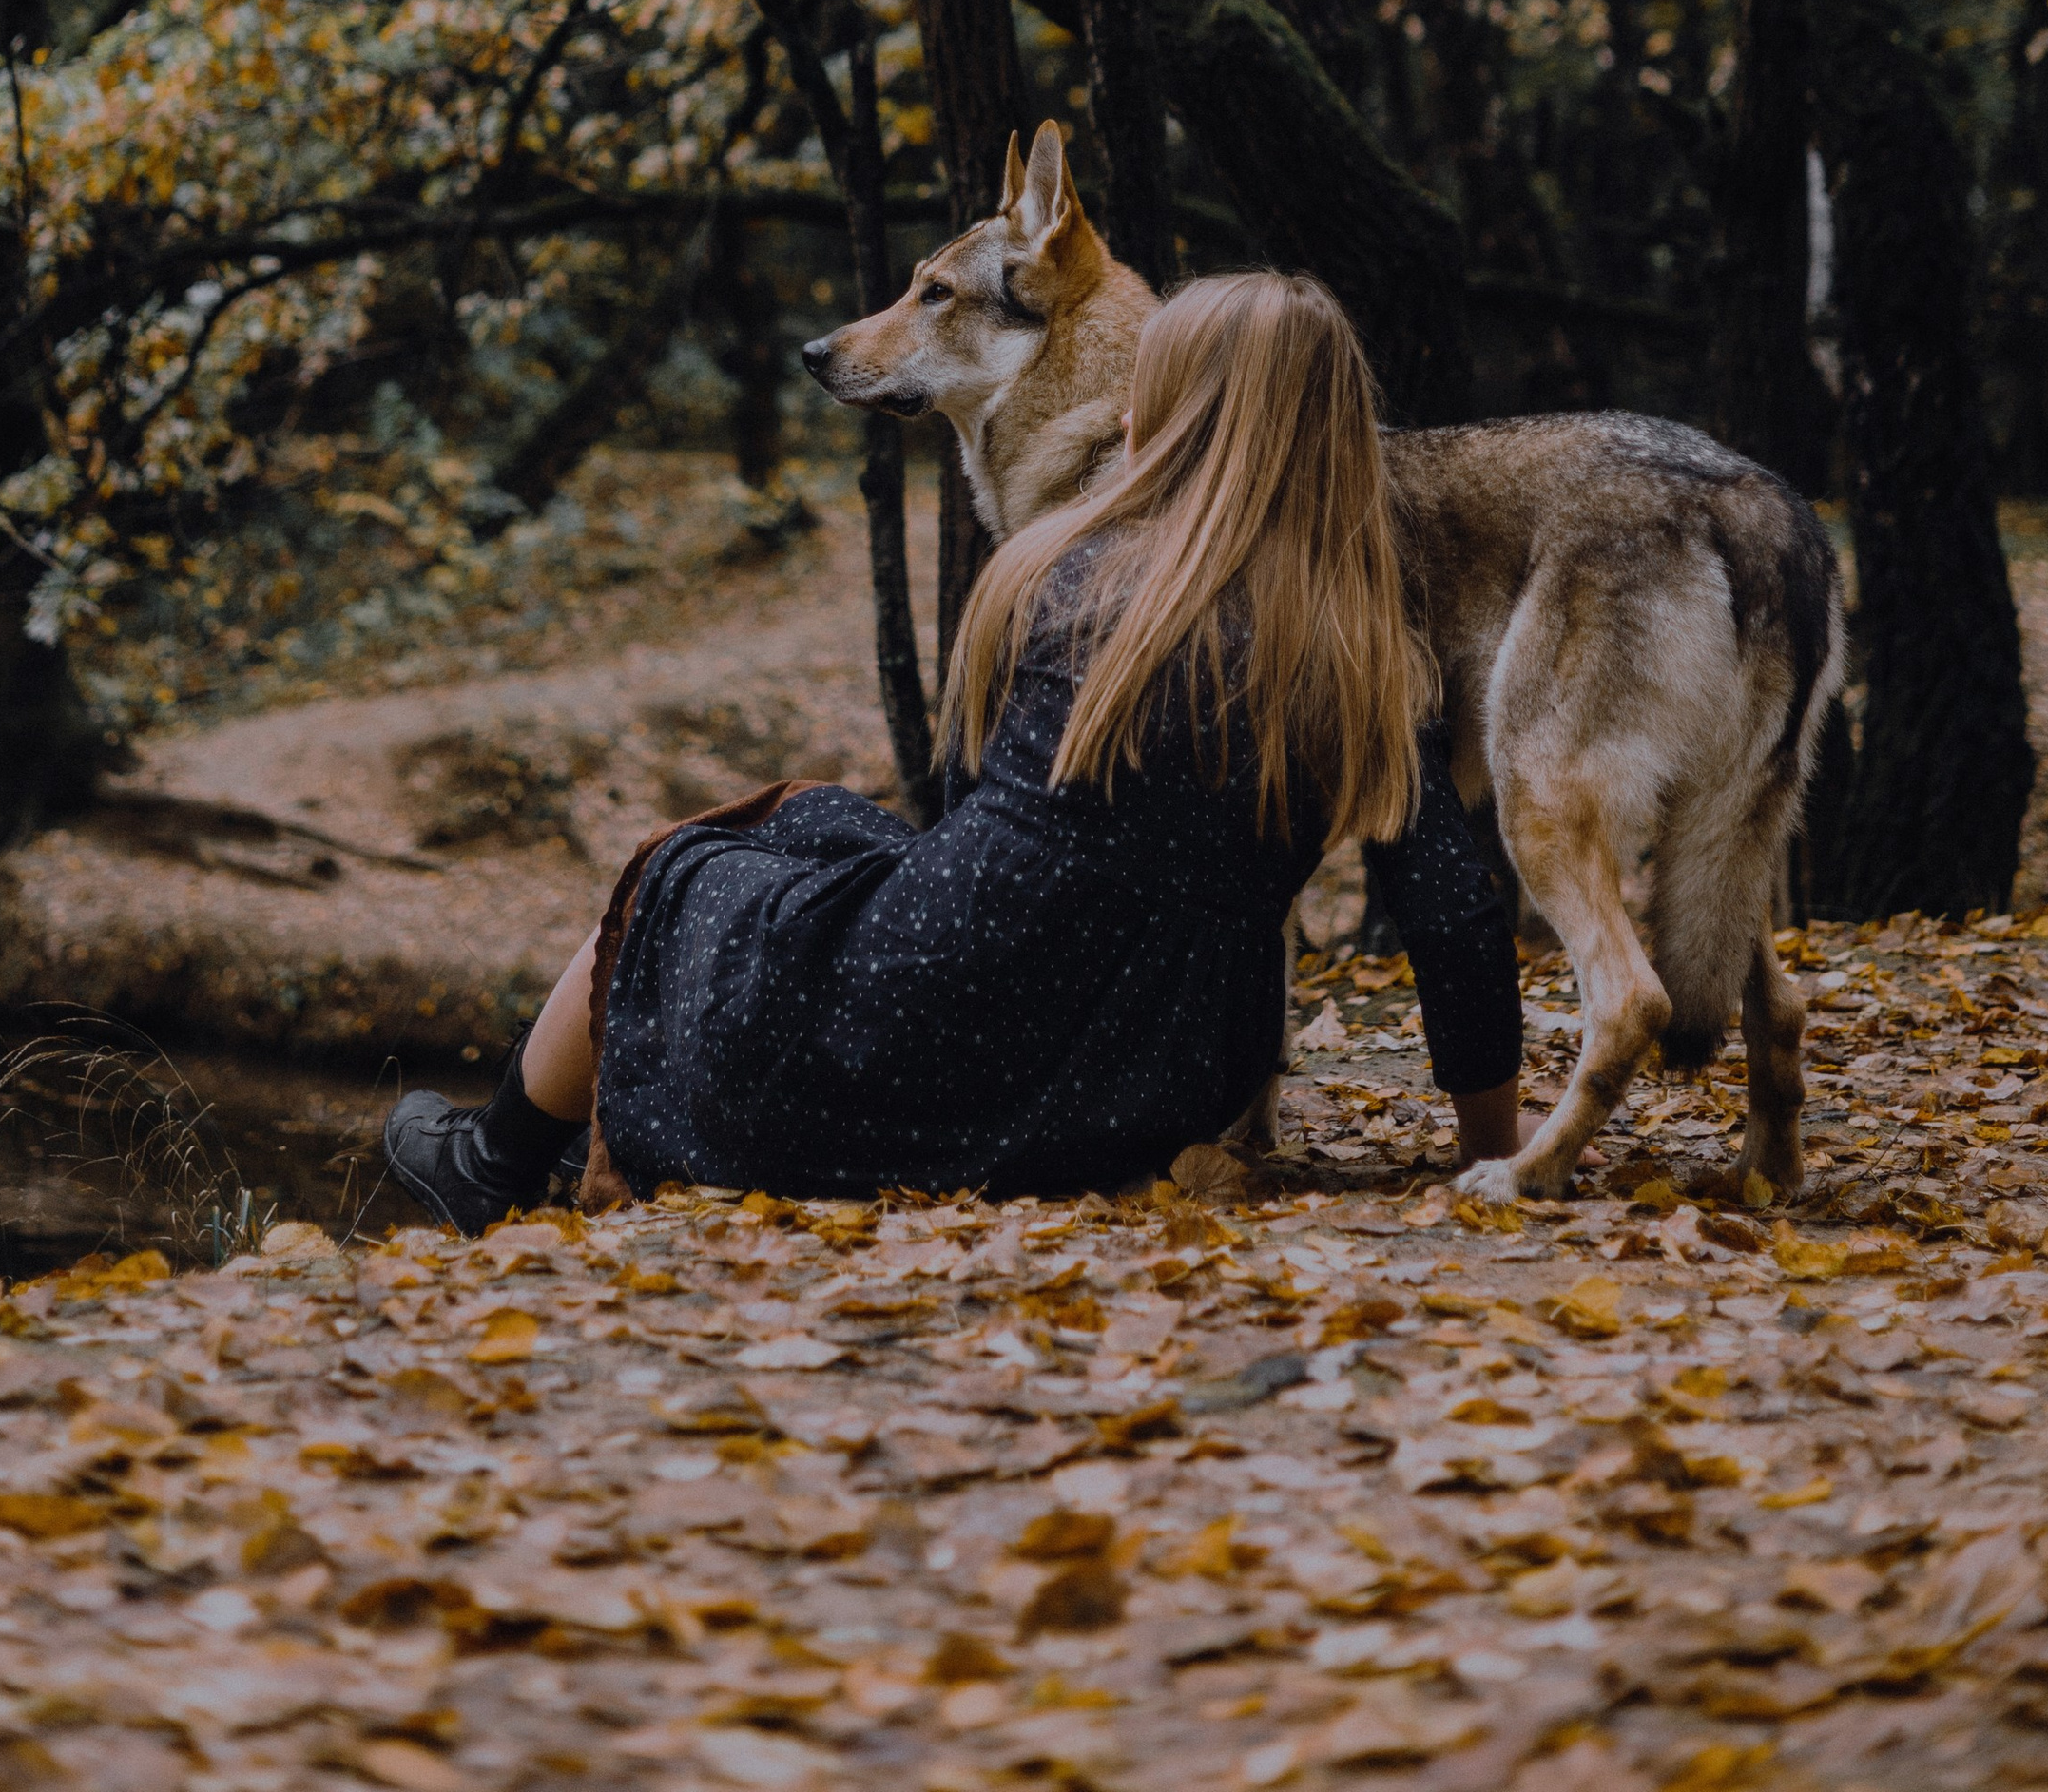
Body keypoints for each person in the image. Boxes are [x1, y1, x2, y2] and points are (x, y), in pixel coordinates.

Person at [383, 270, 1527, 1226]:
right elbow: (1451, 913)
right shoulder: (1368, 658)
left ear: (1158, 416)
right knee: (815, 818)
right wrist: (1497, 1147)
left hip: (945, 1010)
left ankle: (492, 1165)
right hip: (1158, 1079)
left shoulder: (1065, 574)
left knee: (689, 874)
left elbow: (995, 835)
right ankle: (507, 1159)